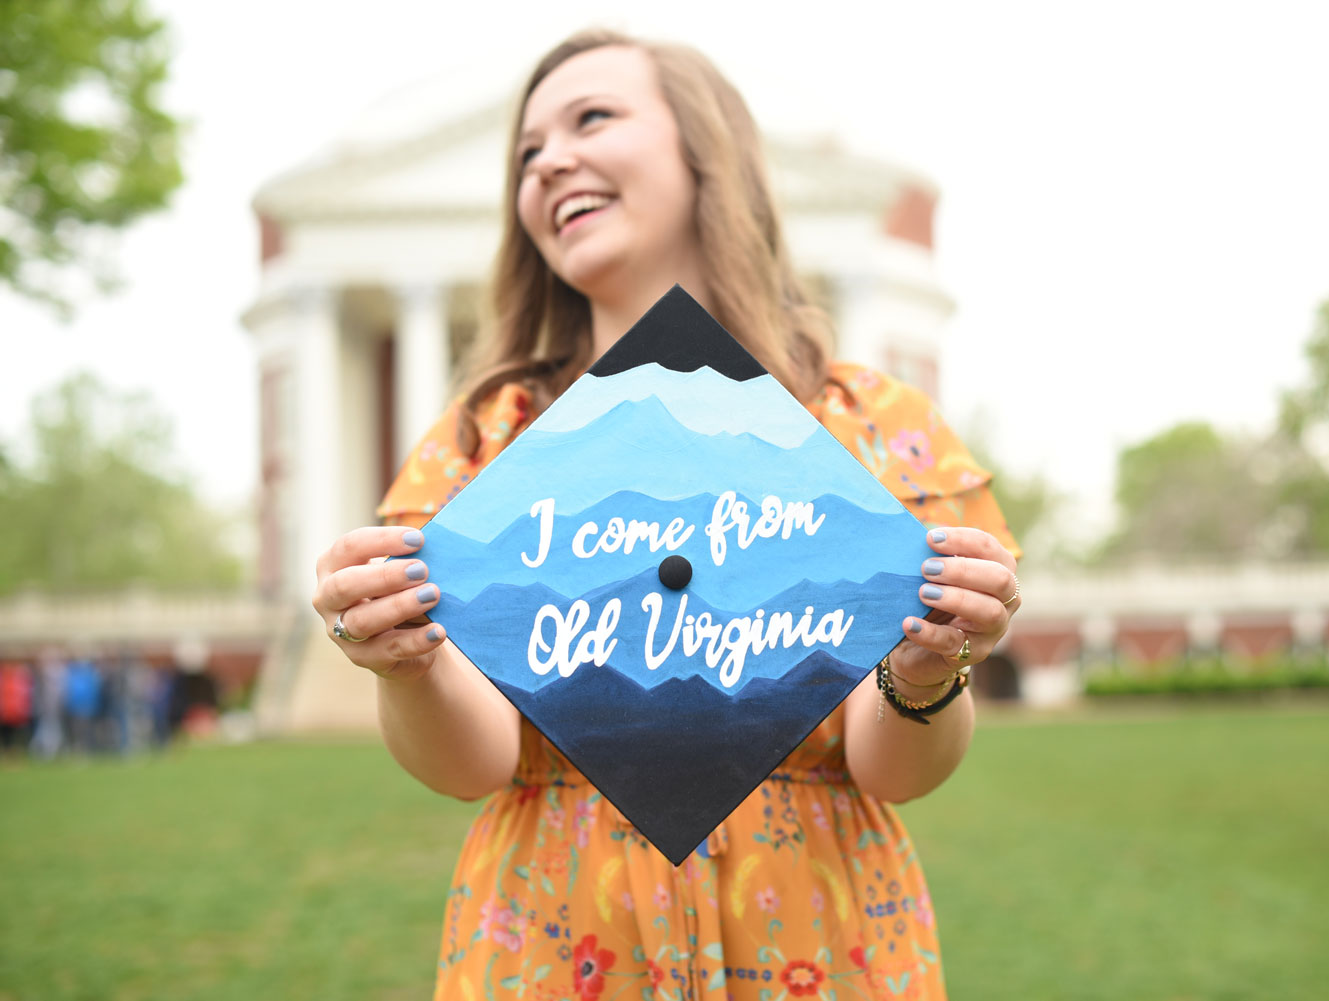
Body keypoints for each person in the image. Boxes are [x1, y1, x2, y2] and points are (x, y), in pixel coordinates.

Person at [312, 30, 1022, 999]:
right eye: (526, 153)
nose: (549, 160)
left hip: (819, 938)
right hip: (556, 938)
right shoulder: (491, 441)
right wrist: (410, 663)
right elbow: (478, 758)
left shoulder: (867, 428)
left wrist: (927, 662)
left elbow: (892, 767)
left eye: (591, 117)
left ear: (704, 154)